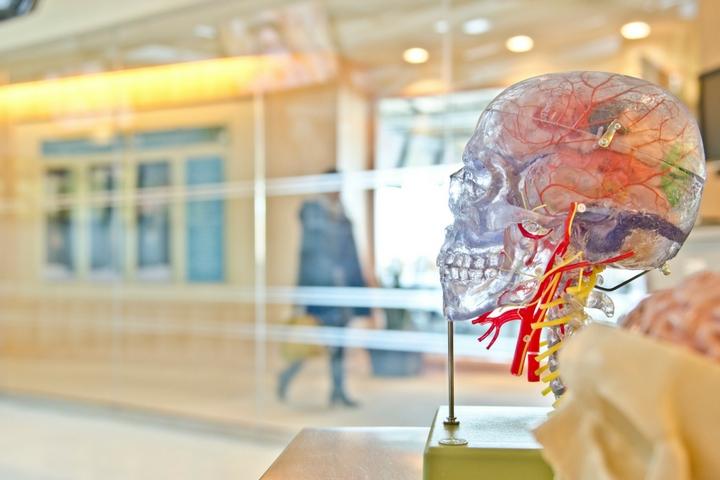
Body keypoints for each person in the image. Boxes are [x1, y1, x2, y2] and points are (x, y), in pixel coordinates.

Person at [277, 172, 369, 407]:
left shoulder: (342, 215)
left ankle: (338, 391)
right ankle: (286, 375)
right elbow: (307, 257)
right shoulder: (314, 213)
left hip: (341, 293)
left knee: (338, 345)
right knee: (311, 343)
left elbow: (351, 257)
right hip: (321, 293)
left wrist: (359, 294)